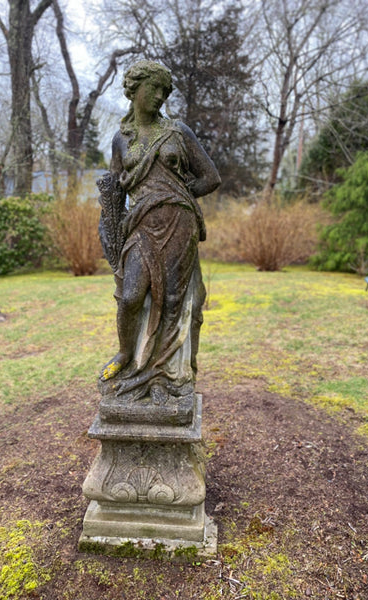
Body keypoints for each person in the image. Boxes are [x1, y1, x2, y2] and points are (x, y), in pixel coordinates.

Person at [99, 60, 221, 404]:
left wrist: (177, 195)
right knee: (131, 296)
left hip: (179, 224)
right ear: (134, 88)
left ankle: (163, 376)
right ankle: (126, 356)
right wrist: (110, 229)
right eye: (154, 88)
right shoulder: (121, 140)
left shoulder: (178, 131)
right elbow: (113, 190)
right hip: (141, 226)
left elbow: (210, 177)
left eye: (165, 91)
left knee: (172, 301)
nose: (160, 96)